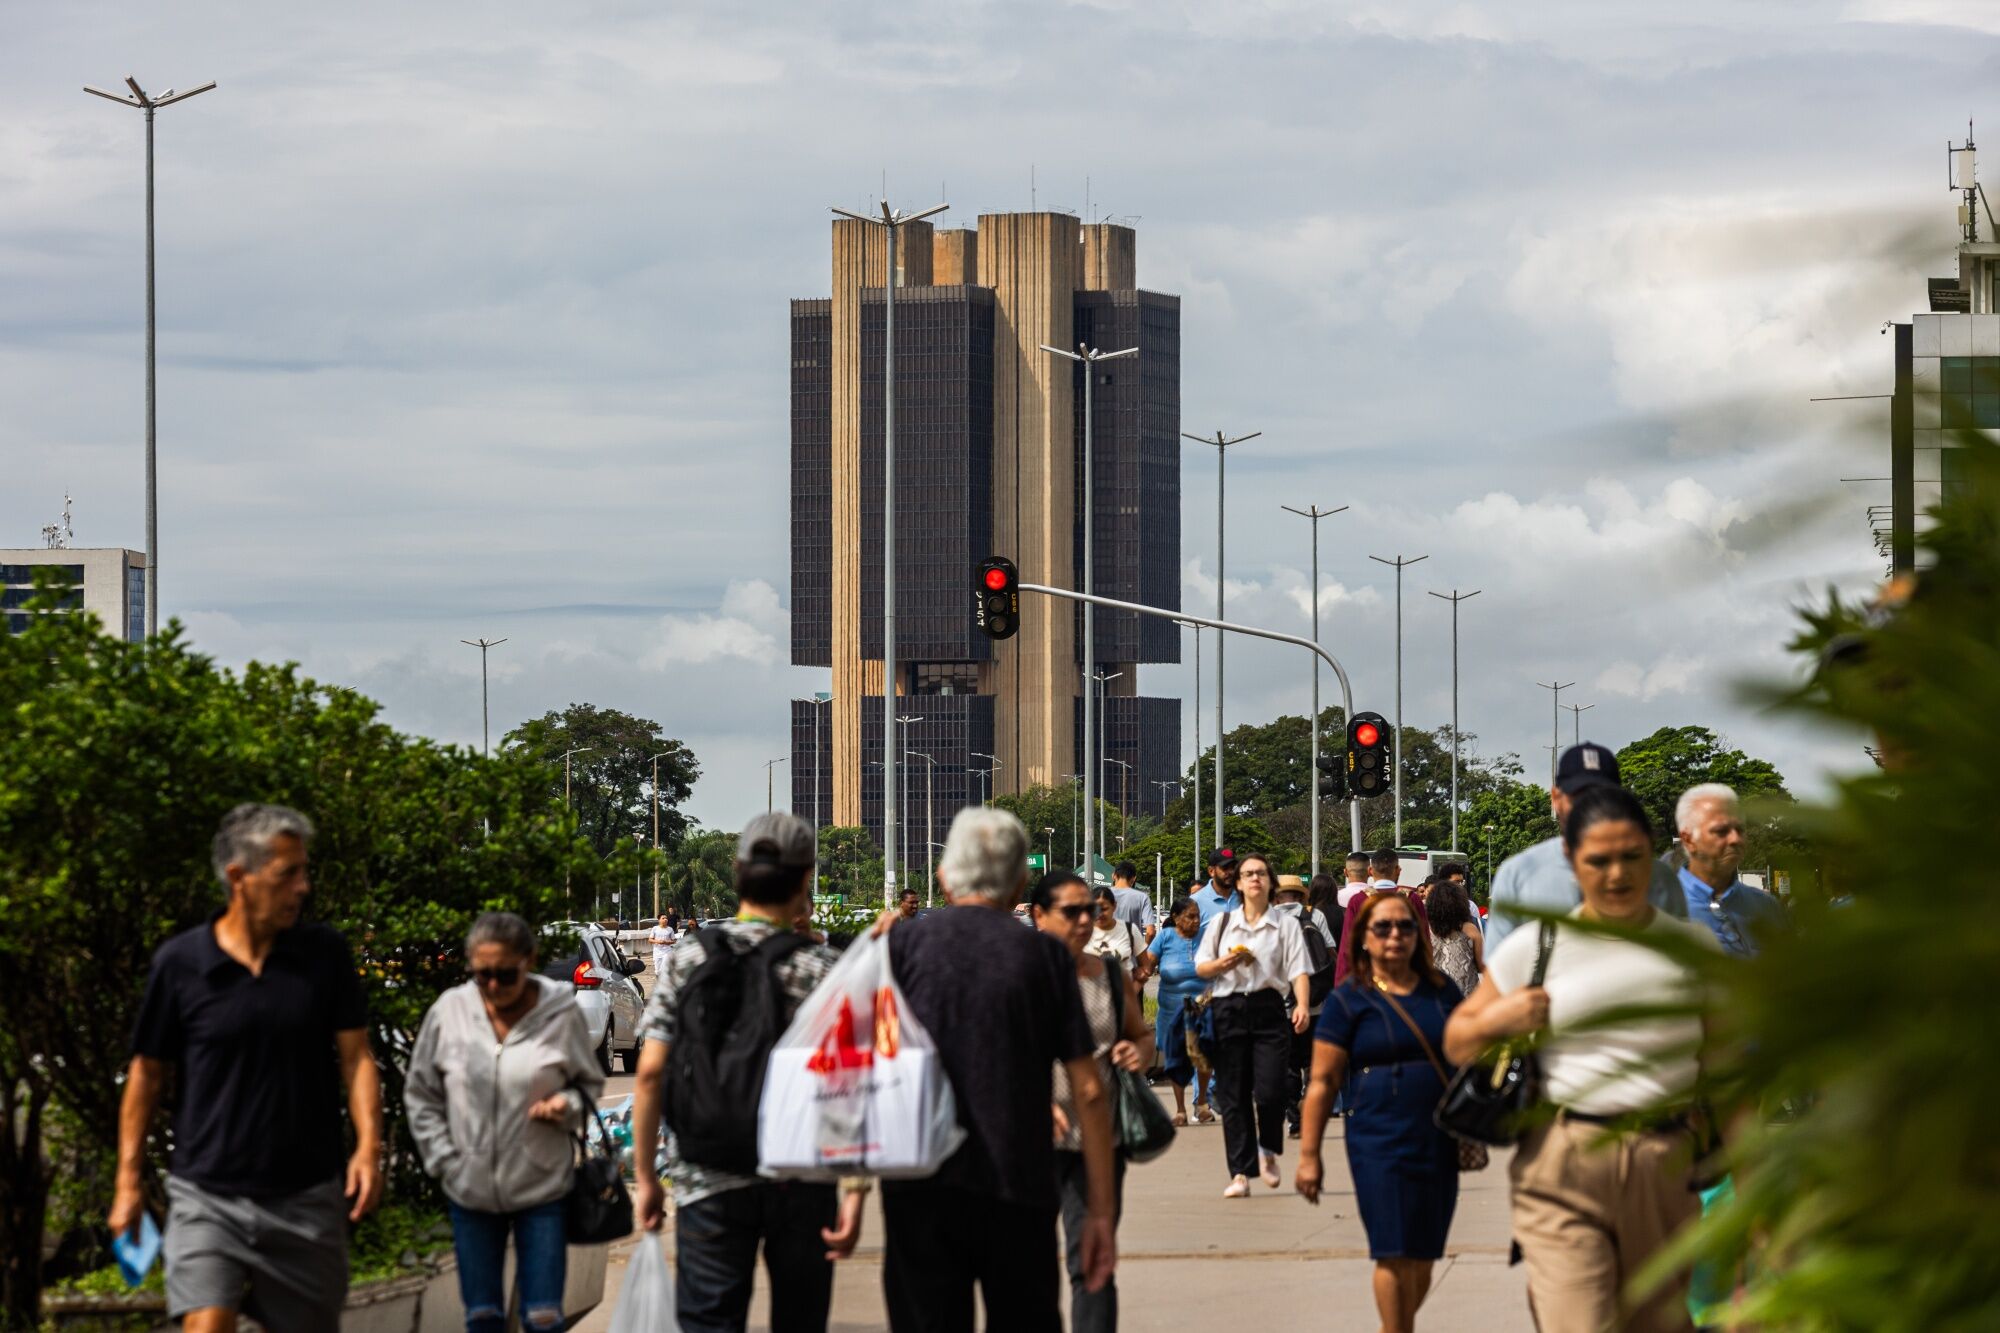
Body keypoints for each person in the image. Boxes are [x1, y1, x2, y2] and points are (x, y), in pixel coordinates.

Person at [1446, 785, 1716, 1333]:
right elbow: (1458, 1037)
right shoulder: (1537, 946)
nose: (1616, 874)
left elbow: (1730, 1075)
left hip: (1664, 1161)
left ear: (1655, 854)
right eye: (1598, 860)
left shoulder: (1694, 950)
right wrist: (1505, 1017)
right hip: (1562, 1161)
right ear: (1571, 859)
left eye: (1631, 857)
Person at [111, 804, 383, 1333]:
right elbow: (146, 1074)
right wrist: (127, 1183)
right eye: (288, 874)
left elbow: (356, 1059)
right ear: (239, 878)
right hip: (207, 1194)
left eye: (304, 872)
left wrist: (369, 1147)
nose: (302, 887)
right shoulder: (181, 963)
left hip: (306, 1197)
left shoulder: (323, 954)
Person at [629, 813, 871, 1333]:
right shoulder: (824, 970)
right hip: (801, 1179)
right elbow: (848, 1088)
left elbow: (650, 1073)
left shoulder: (689, 958)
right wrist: (854, 1190)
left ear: (738, 873)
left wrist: (647, 1177)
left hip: (704, 1174)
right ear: (805, 879)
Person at [879, 808, 1117, 1332]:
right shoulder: (1045, 957)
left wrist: (852, 1194)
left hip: (918, 1185)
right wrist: (1099, 1212)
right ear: (1019, 884)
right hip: (1018, 1184)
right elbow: (1090, 1091)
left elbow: (871, 1071)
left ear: (943, 878)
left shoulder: (900, 948)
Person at [404, 913, 603, 1333]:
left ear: (529, 960)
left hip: (543, 1189)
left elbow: (588, 1083)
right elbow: (421, 1093)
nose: (493, 985)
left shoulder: (559, 1009)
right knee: (483, 1317)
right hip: (469, 1189)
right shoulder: (450, 1012)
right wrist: (444, 1160)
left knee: (543, 1316)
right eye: (482, 975)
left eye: (505, 974)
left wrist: (564, 1106)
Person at [1298, 891, 1466, 1333]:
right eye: (1383, 927)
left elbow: (1467, 1053)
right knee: (1393, 1249)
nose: (1395, 935)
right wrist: (1310, 1155)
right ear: (1364, 938)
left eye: (1406, 926)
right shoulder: (1349, 998)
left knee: (1427, 1251)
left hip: (1437, 1136)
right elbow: (1322, 1083)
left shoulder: (1441, 990)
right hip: (1377, 1136)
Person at [1032, 870, 1154, 1333]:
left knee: (1093, 1264)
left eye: (1091, 910)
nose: (1085, 919)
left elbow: (1145, 1040)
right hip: (1030, 1142)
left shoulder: (1108, 974)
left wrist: (1137, 1052)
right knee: (1027, 1267)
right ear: (1040, 916)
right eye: (1071, 911)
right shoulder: (1018, 974)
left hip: (1097, 1140)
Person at [1485, 742, 1689, 951]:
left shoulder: (1660, 879)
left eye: (1602, 796)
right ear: (1556, 799)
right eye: (1579, 797)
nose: (1590, 806)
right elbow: (1498, 970)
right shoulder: (1518, 874)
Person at [1195, 851, 1311, 1198]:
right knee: (1233, 1093)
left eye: (1261, 872)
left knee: (1271, 1089)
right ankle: (1241, 1173)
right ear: (1240, 883)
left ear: (1269, 881)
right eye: (1248, 874)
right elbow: (1201, 967)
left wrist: (1302, 1004)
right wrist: (1223, 963)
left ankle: (1268, 1150)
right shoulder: (1222, 924)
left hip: (1268, 1008)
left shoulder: (1286, 925)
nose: (1255, 878)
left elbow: (1298, 970)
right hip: (1228, 1008)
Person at [1675, 783, 1788, 958]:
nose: (1735, 839)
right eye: (1721, 831)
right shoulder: (1658, 909)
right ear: (1688, 840)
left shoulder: (1767, 907)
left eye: (1740, 829)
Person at [1273, 877, 1336, 1137]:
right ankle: (1309, 1109)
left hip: (1281, 1005)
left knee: (1288, 1066)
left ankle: (1294, 1119)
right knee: (1313, 1063)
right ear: (1300, 895)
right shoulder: (1314, 915)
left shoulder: (1269, 920)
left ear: (1277, 896)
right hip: (1315, 1003)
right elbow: (1330, 953)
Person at [1145, 897, 1208, 1125]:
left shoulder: (1206, 937)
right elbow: (1148, 965)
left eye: (1198, 916)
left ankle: (1201, 1103)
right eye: (1190, 916)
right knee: (1175, 1058)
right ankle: (1180, 1109)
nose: (1196, 921)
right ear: (1176, 918)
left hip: (1202, 1009)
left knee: (1203, 1057)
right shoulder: (1165, 937)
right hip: (1171, 1010)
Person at [1334, 851, 1432, 983]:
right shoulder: (1412, 898)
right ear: (1398, 870)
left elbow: (1348, 946)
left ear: (1370, 870)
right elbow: (1424, 941)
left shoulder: (1358, 900)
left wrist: (1342, 985)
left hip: (1369, 979)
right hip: (1406, 978)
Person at [1424, 878, 1484, 996]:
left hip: (1435, 994)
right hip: (1466, 997)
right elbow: (1482, 966)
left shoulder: (1426, 929)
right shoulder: (1470, 930)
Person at [1088, 883, 1150, 980]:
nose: (1099, 914)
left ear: (1114, 906)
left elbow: (1146, 966)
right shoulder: (1083, 931)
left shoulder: (1129, 929)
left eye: (1104, 909)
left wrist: (1133, 990)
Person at [1191, 848, 1241, 927]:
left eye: (1233, 867)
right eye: (1225, 868)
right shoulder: (1195, 902)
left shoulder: (1245, 898)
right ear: (1211, 871)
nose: (1231, 872)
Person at [1109, 860, 1157, 941]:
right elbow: (1151, 931)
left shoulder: (1102, 894)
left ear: (1113, 876)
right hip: (1133, 950)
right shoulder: (1142, 897)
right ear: (1134, 878)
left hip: (1106, 949)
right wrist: (1143, 950)